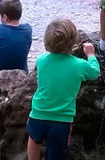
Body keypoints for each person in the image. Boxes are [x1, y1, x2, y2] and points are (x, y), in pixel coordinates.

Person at [27, 19, 99, 160]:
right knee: (57, 151)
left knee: (34, 139)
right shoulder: (79, 65)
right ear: (73, 42)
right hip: (61, 121)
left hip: (37, 115)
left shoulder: (41, 60)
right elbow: (94, 72)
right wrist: (91, 55)